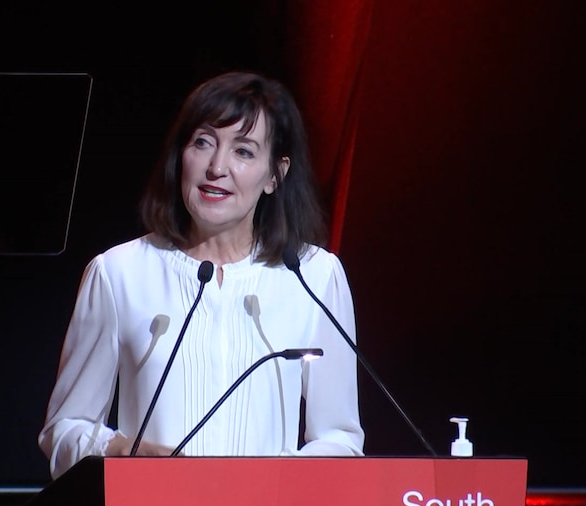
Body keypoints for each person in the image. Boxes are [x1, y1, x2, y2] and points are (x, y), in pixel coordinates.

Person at [39, 70, 364, 479]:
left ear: (274, 176)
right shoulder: (119, 273)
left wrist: (276, 481)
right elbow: (63, 431)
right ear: (181, 156)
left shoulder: (315, 276)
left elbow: (340, 438)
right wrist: (123, 450)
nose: (216, 167)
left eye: (243, 151)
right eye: (203, 142)